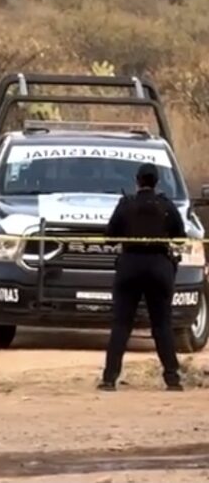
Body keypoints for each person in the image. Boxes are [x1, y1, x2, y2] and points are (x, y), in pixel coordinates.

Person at [100, 163, 185, 392]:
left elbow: (109, 236)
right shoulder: (166, 205)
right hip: (159, 267)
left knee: (121, 325)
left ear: (137, 181)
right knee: (162, 325)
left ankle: (109, 379)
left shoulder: (126, 204)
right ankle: (172, 378)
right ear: (157, 182)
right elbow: (180, 235)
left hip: (130, 266)